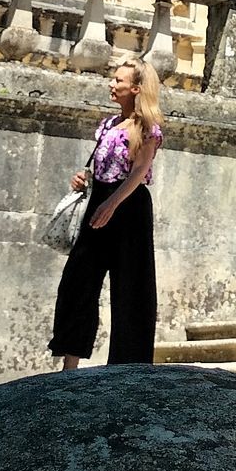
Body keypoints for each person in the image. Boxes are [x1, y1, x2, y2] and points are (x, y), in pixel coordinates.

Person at [51, 57, 163, 369]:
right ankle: (69, 364)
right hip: (99, 199)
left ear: (136, 88)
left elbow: (138, 172)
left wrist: (112, 203)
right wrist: (83, 179)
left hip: (129, 206)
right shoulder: (108, 125)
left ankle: (128, 367)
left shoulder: (148, 129)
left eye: (119, 80)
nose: (111, 84)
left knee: (132, 287)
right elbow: (102, 167)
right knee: (78, 280)